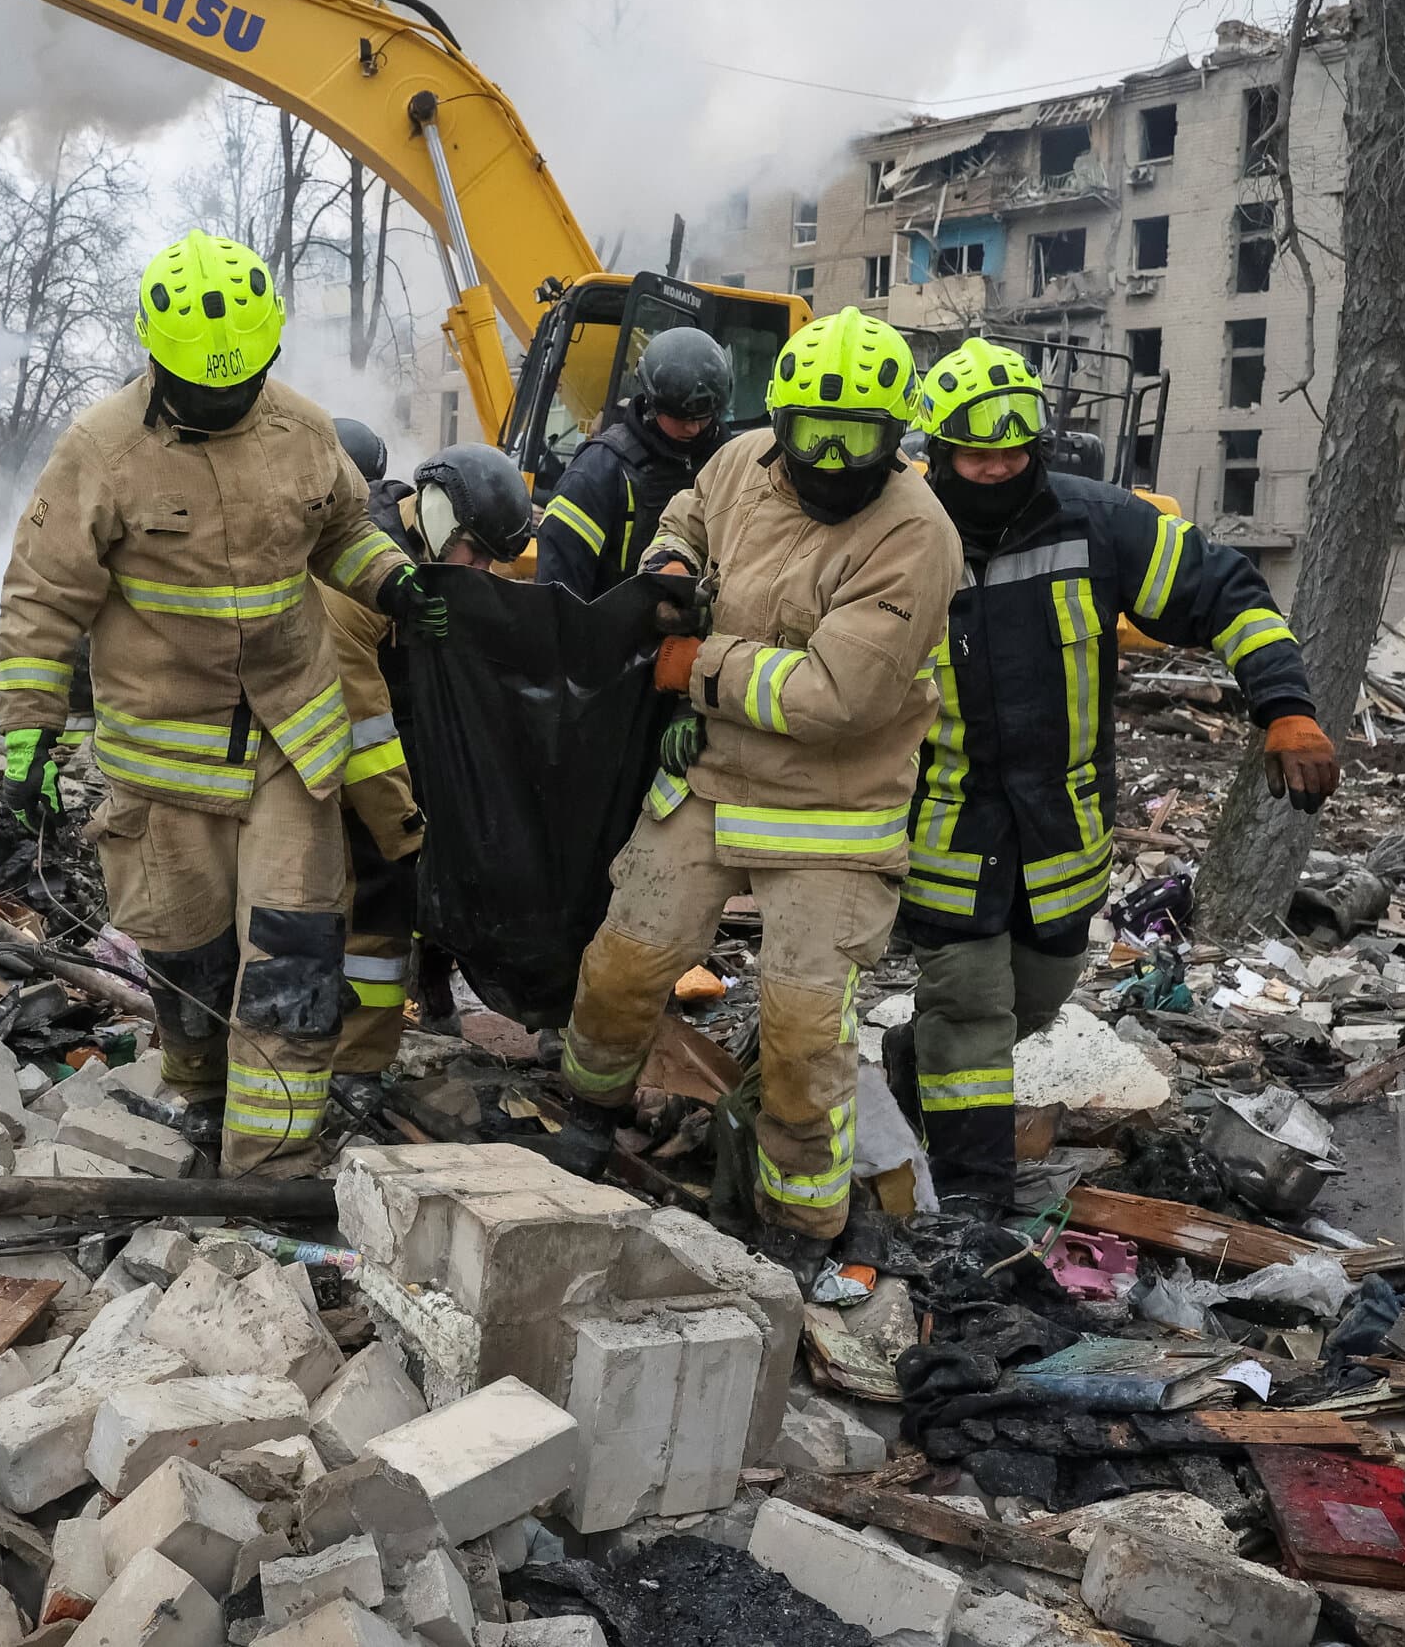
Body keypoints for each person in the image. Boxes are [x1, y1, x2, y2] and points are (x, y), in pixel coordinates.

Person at [0, 229, 443, 1176]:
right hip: (164, 758)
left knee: (292, 955)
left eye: (242, 383)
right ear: (160, 361)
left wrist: (394, 582)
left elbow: (341, 535)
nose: (227, 401)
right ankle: (199, 1091)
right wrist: (29, 739)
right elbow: (43, 596)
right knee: (188, 955)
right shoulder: (102, 450)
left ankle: (273, 1162)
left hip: (292, 741)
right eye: (205, 388)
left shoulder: (304, 432)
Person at [547, 307, 964, 1292]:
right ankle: (585, 1112)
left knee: (802, 1025)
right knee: (620, 964)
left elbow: (834, 695)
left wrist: (698, 662)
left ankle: (801, 1218)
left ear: (893, 433)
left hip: (836, 814)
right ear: (776, 416)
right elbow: (689, 511)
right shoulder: (741, 462)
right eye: (809, 429)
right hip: (711, 777)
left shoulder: (918, 535)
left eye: (854, 434)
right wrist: (673, 562)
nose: (826, 455)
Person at [896, 337, 1338, 1213]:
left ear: (1040, 446)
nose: (993, 472)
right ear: (937, 451)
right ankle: (976, 1209)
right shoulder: (900, 531)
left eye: (1012, 454)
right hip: (945, 825)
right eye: (974, 456)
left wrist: (1284, 706)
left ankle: (916, 1063)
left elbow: (1229, 593)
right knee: (970, 1012)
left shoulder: (1098, 521)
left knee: (1036, 994)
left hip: (1061, 832)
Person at [356, 443, 535, 1037]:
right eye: (476, 553)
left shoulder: (445, 549)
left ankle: (427, 983)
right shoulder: (369, 544)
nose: (477, 573)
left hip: (412, 725)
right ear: (441, 517)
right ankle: (361, 1026)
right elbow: (350, 692)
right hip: (350, 740)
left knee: (443, 854)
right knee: (378, 873)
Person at [537, 327, 732, 599]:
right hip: (617, 635)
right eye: (682, 418)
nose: (694, 429)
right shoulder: (596, 473)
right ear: (652, 403)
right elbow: (557, 593)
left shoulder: (733, 464)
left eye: (705, 417)